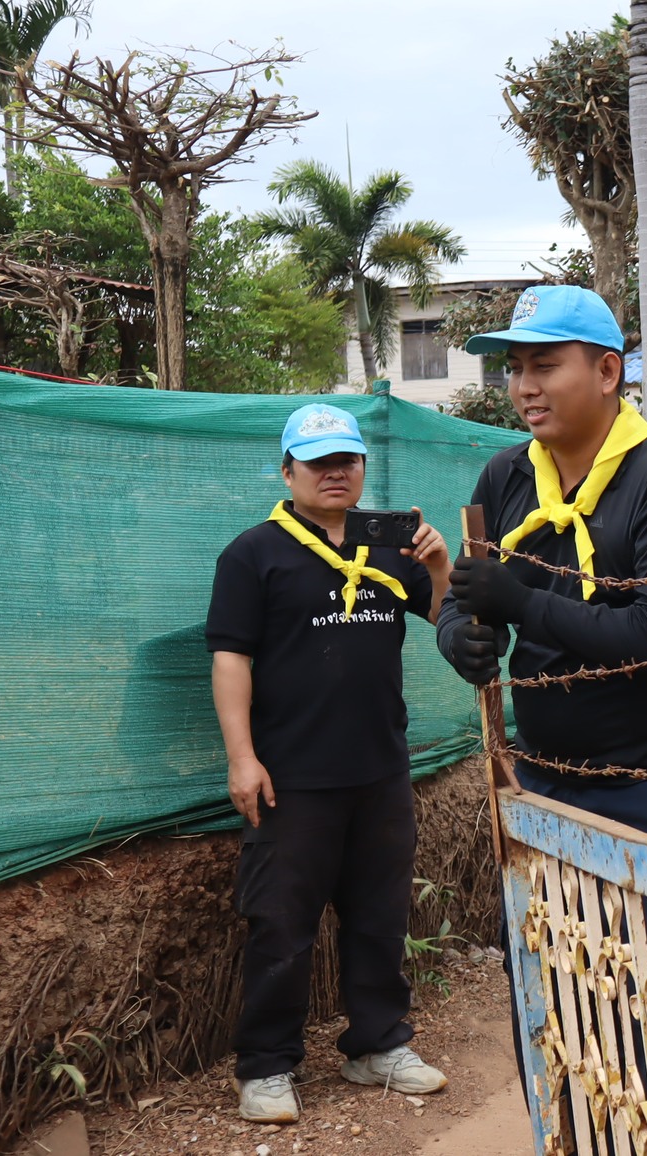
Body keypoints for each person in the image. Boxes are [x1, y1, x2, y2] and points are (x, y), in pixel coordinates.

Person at [434, 284, 647, 1124]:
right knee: (554, 997)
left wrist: (523, 605)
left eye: (544, 365)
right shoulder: (506, 476)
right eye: (515, 368)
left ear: (606, 372)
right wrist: (458, 635)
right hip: (544, 786)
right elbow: (466, 596)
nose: (524, 386)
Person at [205, 404, 453, 1124]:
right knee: (281, 926)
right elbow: (231, 659)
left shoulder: (392, 546)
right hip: (291, 777)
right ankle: (266, 1066)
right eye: (317, 463)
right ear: (288, 473)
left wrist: (439, 565)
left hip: (381, 769)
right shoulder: (254, 554)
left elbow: (445, 619)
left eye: (347, 460)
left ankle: (377, 1044)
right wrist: (242, 758)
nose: (335, 473)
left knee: (380, 917)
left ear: (363, 468)